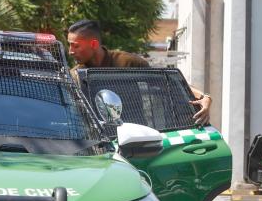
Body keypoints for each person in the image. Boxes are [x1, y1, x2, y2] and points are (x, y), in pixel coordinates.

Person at [67, 19, 212, 125]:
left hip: (136, 141)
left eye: (76, 46)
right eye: (70, 45)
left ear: (93, 44)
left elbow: (168, 84)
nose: (70, 51)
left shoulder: (127, 62)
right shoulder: (74, 76)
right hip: (97, 146)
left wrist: (204, 97)